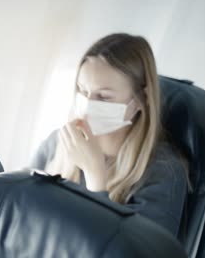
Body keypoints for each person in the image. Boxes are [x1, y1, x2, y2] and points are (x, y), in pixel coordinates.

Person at [28, 33, 188, 237]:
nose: (87, 105)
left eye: (103, 97)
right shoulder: (57, 142)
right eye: (82, 90)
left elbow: (134, 252)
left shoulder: (163, 172)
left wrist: (96, 177)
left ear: (141, 100)